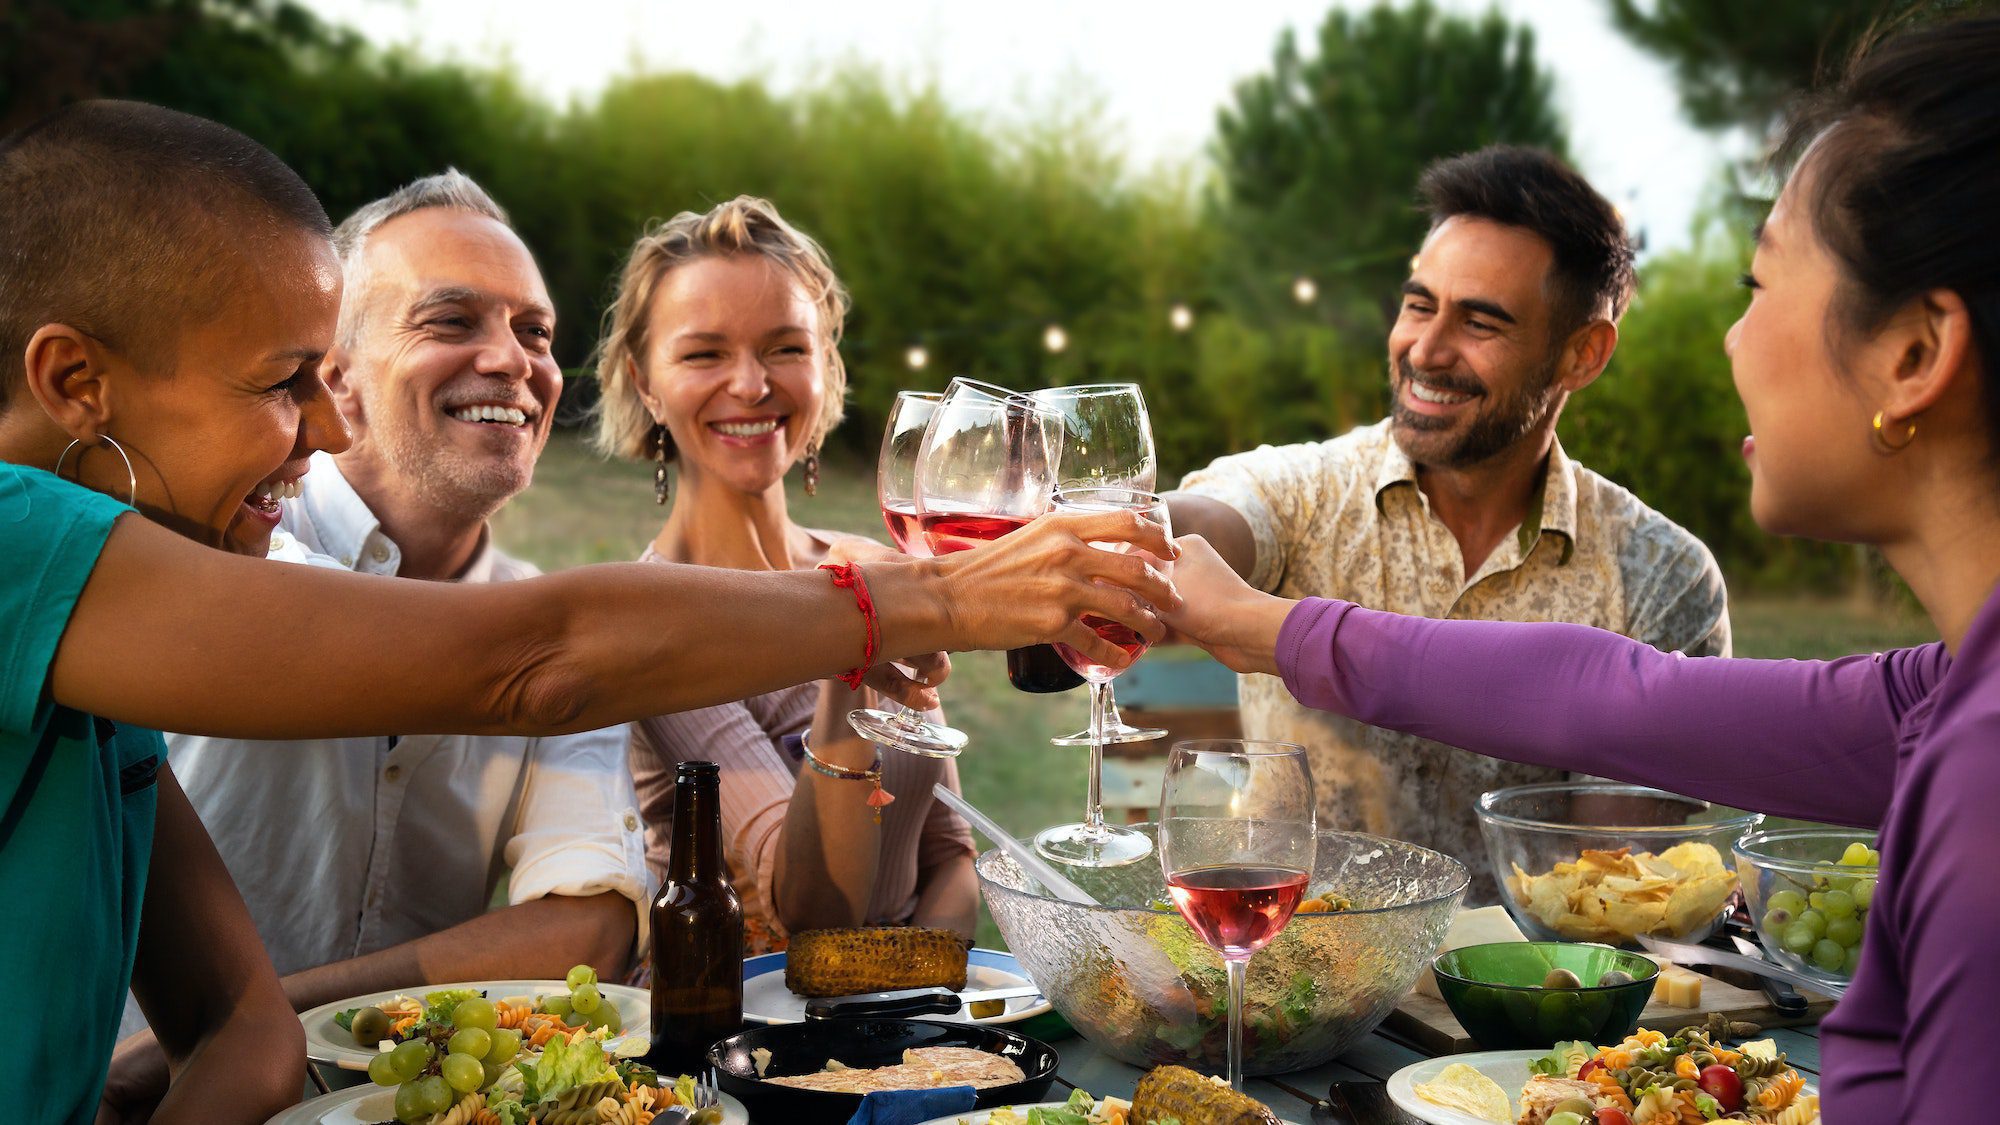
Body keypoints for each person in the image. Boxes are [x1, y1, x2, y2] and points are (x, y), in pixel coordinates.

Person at [0, 101, 1176, 1125]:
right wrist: (948, 596)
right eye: (280, 383)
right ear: (73, 383)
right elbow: (540, 660)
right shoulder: (28, 545)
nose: (324, 429)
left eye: (535, 331)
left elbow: (244, 1031)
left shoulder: (113, 681)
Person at [1165, 16, 2000, 1120]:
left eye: (1756, 286)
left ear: (1911, 357)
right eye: (1418, 303)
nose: (1728, 341)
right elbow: (1613, 695)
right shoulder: (1943, 701)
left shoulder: (1981, 769)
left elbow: (1631, 824)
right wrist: (1246, 614)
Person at [104, 172, 653, 1109]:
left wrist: (255, 1024)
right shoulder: (230, 544)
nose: (514, 360)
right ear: (335, 373)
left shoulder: (541, 626)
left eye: (536, 331)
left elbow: (590, 934)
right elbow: (519, 660)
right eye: (450, 321)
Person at [1168, 146, 1728, 898]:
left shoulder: (1659, 574)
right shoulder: (1302, 492)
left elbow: (1611, 895)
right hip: (1286, 988)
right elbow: (1214, 521)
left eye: (1481, 323)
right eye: (1419, 304)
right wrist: (1125, 522)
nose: (1425, 351)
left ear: (1582, 353)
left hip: (1524, 1000)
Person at [594, 196, 974, 953]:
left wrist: (912, 1000)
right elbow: (810, 909)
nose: (750, 384)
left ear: (825, 366)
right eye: (704, 354)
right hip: (733, 1036)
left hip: (896, 1019)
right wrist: (850, 653)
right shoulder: (660, 616)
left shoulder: (869, 561)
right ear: (645, 383)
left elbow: (953, 857)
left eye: (785, 348)